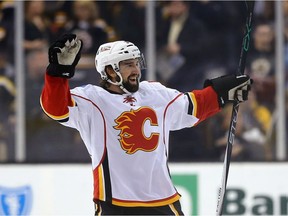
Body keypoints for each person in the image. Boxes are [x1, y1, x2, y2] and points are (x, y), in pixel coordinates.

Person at [40, 34, 252, 215]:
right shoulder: (92, 100)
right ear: (110, 71)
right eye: (128, 65)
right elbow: (56, 108)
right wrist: (57, 74)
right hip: (114, 204)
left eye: (136, 63)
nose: (136, 70)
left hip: (162, 201)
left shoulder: (155, 93)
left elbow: (193, 106)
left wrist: (223, 92)